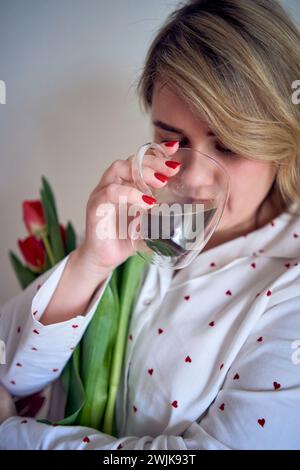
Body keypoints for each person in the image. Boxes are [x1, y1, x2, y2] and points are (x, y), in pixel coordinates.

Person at [1, 0, 300, 450]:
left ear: (281, 137)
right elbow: (11, 374)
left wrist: (11, 437)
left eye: (231, 145)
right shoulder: (146, 228)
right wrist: (90, 263)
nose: (195, 179)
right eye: (170, 139)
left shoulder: (290, 282)